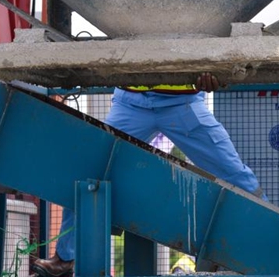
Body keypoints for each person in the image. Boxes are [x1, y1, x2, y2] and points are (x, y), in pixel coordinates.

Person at [32, 73, 266, 277]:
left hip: (182, 105)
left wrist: (214, 72)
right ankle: (65, 258)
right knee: (87, 170)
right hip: (131, 104)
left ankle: (272, 239)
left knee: (235, 175)